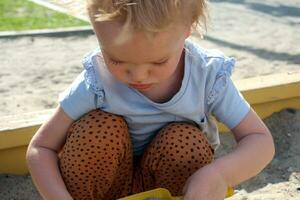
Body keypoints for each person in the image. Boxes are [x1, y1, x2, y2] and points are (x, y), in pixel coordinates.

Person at [26, 0, 275, 200]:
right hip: (101, 188)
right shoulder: (97, 80)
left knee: (184, 140)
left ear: (189, 28)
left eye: (158, 62)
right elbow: (41, 148)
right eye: (117, 59)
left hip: (171, 187)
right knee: (99, 128)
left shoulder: (206, 76)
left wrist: (220, 175)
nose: (138, 76)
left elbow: (259, 140)